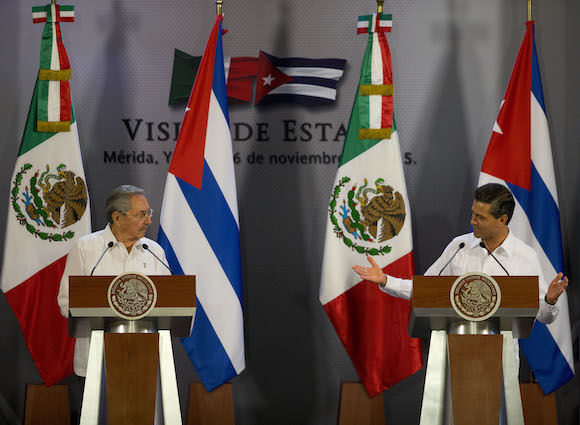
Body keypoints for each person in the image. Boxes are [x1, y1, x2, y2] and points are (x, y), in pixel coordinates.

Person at [352, 183, 568, 323]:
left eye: (480, 217)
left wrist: (549, 301)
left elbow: (543, 316)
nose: (472, 221)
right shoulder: (460, 247)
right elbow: (426, 289)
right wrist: (386, 280)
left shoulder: (525, 256)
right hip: (455, 349)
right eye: (473, 214)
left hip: (502, 358)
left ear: (502, 220)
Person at [57, 185, 171, 378]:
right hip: (96, 359)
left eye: (148, 213)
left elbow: (170, 301)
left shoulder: (155, 251)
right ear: (118, 218)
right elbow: (66, 302)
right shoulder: (86, 248)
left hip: (144, 360)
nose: (148, 220)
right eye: (141, 214)